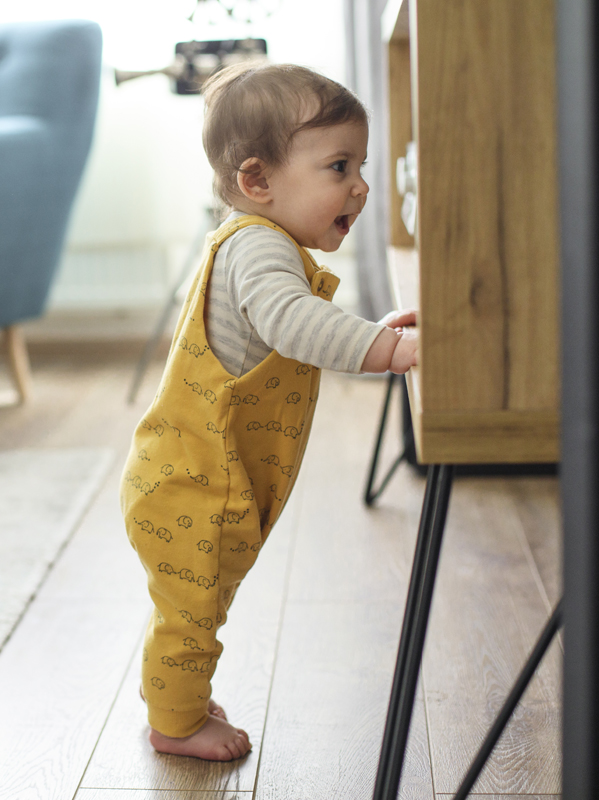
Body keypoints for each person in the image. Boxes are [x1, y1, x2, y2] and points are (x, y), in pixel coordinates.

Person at [121, 61, 418, 762]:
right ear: (257, 182)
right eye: (339, 166)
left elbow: (297, 319)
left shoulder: (258, 240)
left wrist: (379, 331)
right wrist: (391, 351)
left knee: (200, 607)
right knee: (192, 617)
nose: (362, 185)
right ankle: (176, 723)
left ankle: (180, 694)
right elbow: (293, 323)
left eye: (361, 164)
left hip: (200, 480)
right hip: (196, 486)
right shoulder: (258, 247)